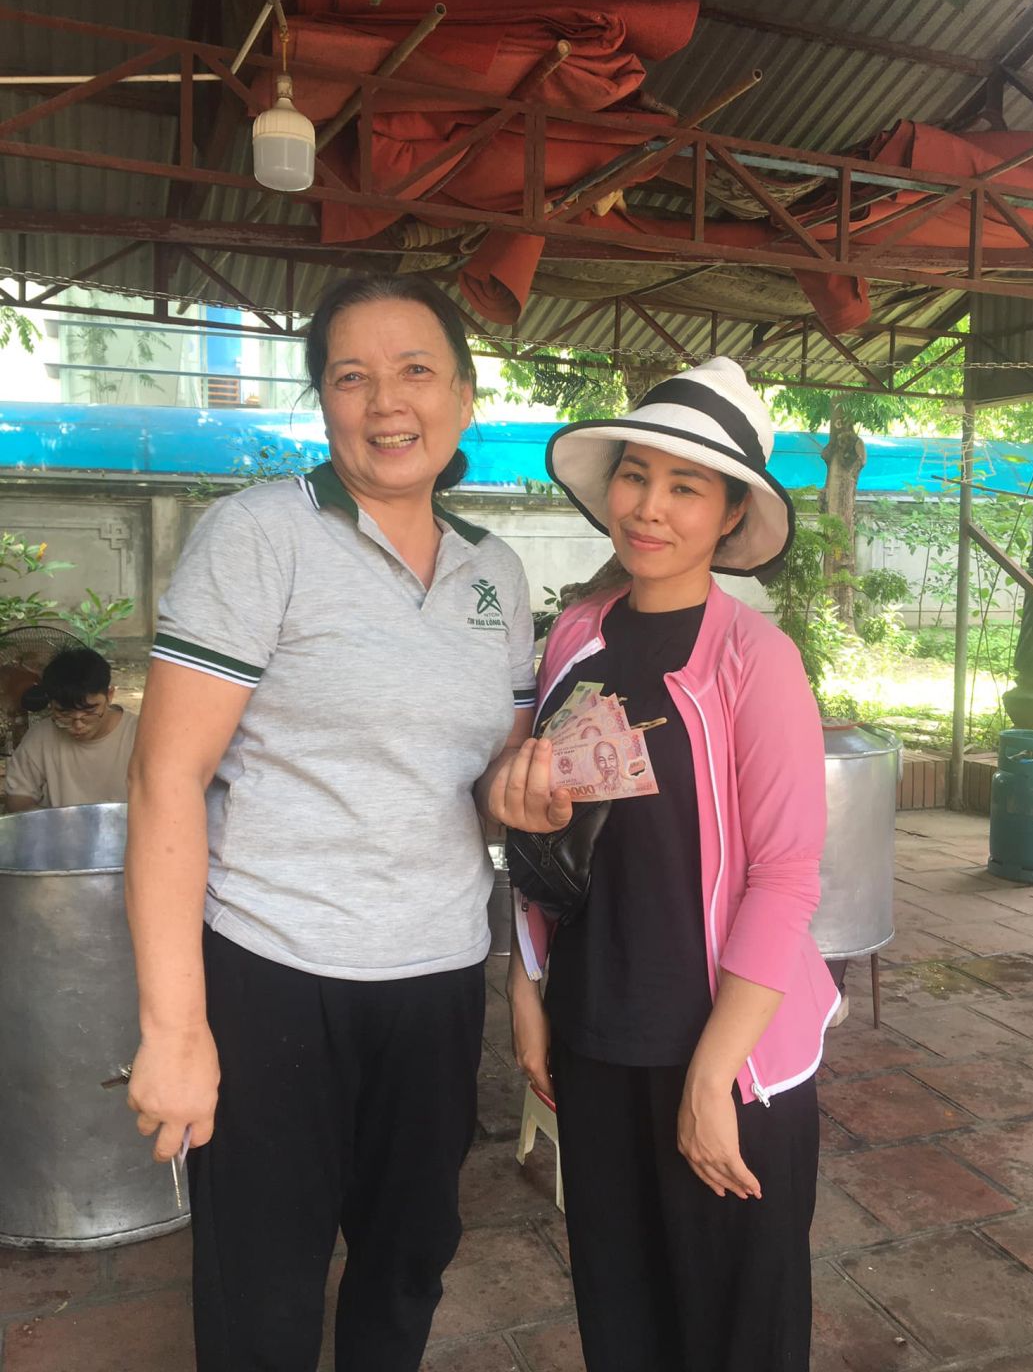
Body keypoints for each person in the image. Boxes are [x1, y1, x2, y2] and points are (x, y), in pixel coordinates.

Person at [124, 273, 538, 1372]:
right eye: (351, 376)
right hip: (275, 969)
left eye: (416, 371)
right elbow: (166, 779)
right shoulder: (262, 536)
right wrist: (175, 1030)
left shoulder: (496, 572)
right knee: (263, 1291)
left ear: (463, 397)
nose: (385, 401)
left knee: (408, 1265)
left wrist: (531, 788)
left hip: (438, 974)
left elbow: (484, 780)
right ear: (324, 403)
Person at [489, 358, 839, 1372]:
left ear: (731, 515)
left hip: (729, 1056)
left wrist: (713, 1075)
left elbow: (786, 874)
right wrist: (527, 983)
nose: (649, 507)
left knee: (736, 1332)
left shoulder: (754, 660)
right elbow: (547, 834)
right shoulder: (576, 639)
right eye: (636, 476)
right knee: (622, 1316)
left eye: (686, 487)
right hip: (597, 1034)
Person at [3, 646, 138, 812]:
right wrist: (50, 822)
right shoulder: (40, 738)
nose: (78, 725)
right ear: (50, 703)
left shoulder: (138, 736)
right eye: (64, 713)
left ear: (110, 695)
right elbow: (18, 797)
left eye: (90, 711)